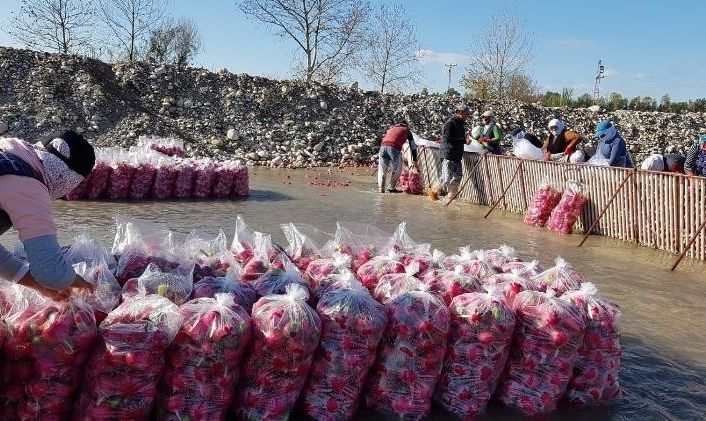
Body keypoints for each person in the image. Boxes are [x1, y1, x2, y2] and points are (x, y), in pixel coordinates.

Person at [0, 130, 96, 300]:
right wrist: (72, 279)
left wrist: (34, 283)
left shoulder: (9, 155)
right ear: (66, 176)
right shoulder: (28, 185)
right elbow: (50, 272)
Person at [430, 103, 471, 202]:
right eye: (466, 114)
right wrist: (464, 140)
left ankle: (451, 197)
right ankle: (433, 193)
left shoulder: (461, 125)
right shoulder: (450, 123)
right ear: (460, 112)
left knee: (458, 176)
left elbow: (458, 138)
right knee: (446, 177)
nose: (467, 116)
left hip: (457, 154)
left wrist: (465, 139)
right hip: (448, 153)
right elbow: (448, 138)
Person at [378, 120, 417, 193]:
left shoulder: (392, 128)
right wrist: (415, 160)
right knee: (397, 169)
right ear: (406, 125)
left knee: (382, 170)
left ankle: (381, 189)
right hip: (394, 148)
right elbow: (413, 146)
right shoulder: (407, 130)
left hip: (382, 147)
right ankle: (391, 187)